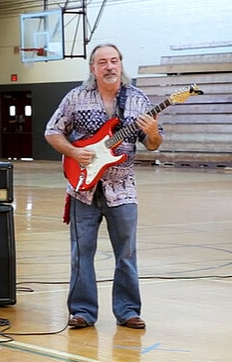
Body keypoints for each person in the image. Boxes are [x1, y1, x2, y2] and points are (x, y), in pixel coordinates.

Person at [45, 43, 162, 330]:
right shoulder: (76, 97)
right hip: (82, 189)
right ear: (93, 68)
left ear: (121, 64)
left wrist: (153, 132)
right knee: (81, 253)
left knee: (126, 254)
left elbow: (153, 145)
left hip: (122, 190)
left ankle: (128, 311)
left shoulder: (137, 99)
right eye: (103, 62)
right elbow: (52, 131)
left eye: (114, 61)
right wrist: (73, 152)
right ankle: (82, 312)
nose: (109, 66)